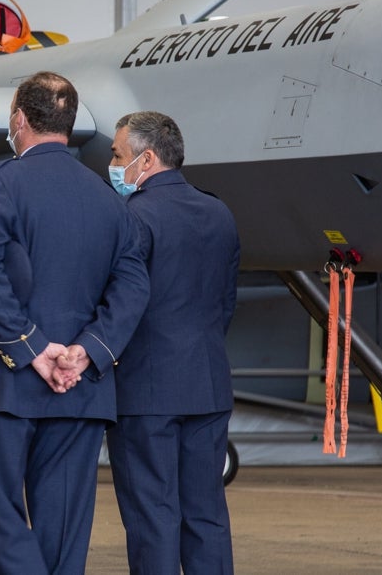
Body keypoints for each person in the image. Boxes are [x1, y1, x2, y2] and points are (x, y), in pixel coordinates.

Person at [0, 71, 149, 574]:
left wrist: (33, 349)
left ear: (19, 119)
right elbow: (132, 287)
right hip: (80, 388)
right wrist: (85, 352)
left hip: (8, 383)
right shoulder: (110, 198)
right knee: (63, 533)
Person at [105, 111, 240, 574]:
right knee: (206, 515)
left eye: (118, 155)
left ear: (146, 159)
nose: (113, 164)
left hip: (145, 391)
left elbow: (120, 304)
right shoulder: (219, 212)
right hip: (207, 382)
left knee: (153, 518)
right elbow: (224, 303)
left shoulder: (132, 216)